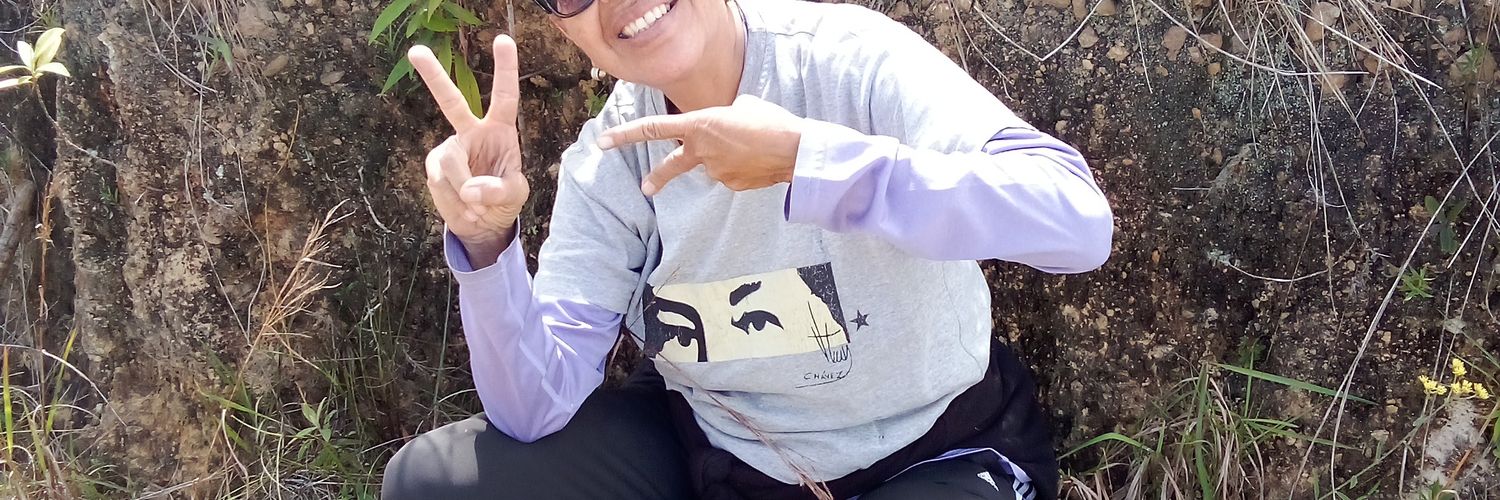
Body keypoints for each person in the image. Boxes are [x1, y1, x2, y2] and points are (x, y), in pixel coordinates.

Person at [380, 0, 1114, 497]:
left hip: (933, 445)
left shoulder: (848, 61)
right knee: (436, 481)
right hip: (723, 452)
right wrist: (486, 243)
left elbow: (1077, 220)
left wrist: (810, 162)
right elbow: (534, 407)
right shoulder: (612, 160)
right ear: (562, 26)